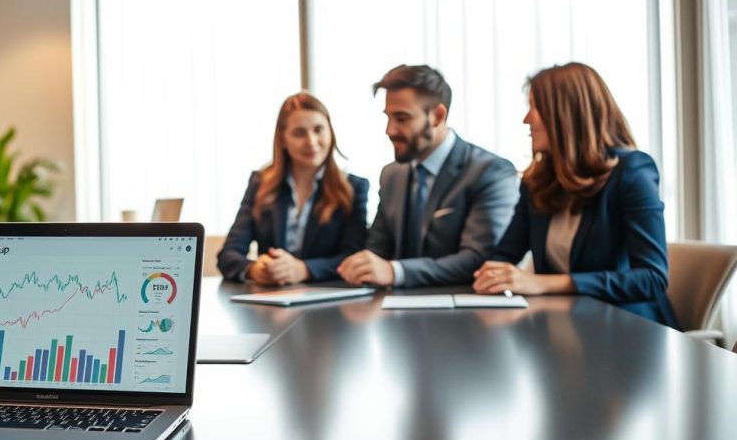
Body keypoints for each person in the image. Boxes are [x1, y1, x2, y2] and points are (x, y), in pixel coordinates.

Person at [472, 62, 678, 328]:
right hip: (561, 328)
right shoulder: (538, 180)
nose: (526, 119)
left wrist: (542, 282)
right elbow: (504, 254)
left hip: (628, 330)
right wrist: (493, 274)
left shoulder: (632, 172)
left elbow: (651, 278)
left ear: (565, 114)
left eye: (534, 107)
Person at [337, 65, 518, 287]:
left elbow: (477, 259)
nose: (389, 130)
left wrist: (396, 272)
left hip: (463, 311)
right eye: (388, 117)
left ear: (438, 116)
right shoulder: (391, 174)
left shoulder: (490, 171)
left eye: (401, 118)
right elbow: (378, 250)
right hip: (394, 310)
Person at [217, 92, 369, 284]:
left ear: (330, 132)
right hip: (270, 303)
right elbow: (228, 254)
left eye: (318, 130)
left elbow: (354, 258)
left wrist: (303, 270)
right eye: (299, 133)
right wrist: (254, 269)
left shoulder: (354, 187)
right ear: (282, 139)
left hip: (328, 301)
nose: (311, 141)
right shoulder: (260, 183)